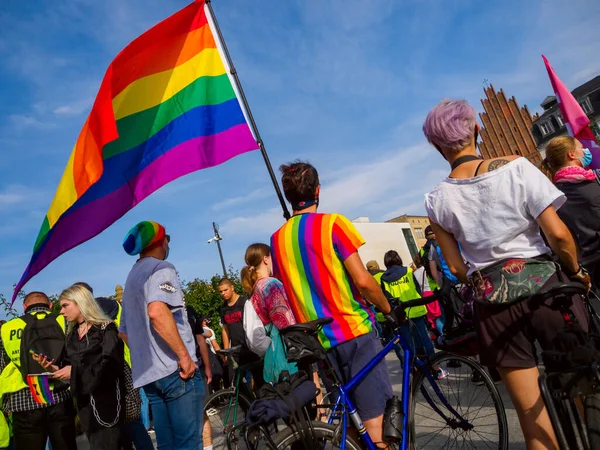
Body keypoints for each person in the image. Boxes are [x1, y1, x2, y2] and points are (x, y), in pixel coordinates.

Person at [422, 99, 591, 450]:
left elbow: (455, 267)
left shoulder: (436, 199)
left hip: (494, 304)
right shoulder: (516, 167)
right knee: (584, 393)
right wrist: (576, 271)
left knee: (532, 418)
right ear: (477, 130)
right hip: (548, 290)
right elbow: (558, 235)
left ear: (437, 147)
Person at [270, 161, 393, 446]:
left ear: (289, 196)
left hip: (318, 342)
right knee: (376, 423)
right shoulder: (333, 224)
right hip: (353, 331)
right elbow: (363, 280)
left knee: (350, 421)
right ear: (317, 190)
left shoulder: (277, 240)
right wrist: (388, 308)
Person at [119, 221, 205, 450]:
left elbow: (124, 332)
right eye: (167, 239)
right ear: (160, 241)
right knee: (189, 443)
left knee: (166, 445)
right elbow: (157, 311)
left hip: (150, 375)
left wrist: (150, 356)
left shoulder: (132, 278)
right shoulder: (161, 268)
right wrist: (184, 357)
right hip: (176, 371)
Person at [36, 285, 125, 449]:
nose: (61, 311)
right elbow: (71, 366)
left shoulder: (106, 329)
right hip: (84, 405)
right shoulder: (72, 335)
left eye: (65, 305)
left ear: (80, 303)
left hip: (107, 402)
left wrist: (75, 371)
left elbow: (111, 367)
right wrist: (54, 370)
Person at [0, 292, 77, 450]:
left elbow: (2, 365)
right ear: (50, 306)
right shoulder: (63, 320)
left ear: (24, 307)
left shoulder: (8, 328)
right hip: (59, 396)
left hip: (23, 400)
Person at [94, 295, 154, 450]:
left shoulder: (114, 321)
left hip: (128, 374)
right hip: (127, 373)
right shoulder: (122, 313)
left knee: (132, 421)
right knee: (130, 422)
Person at [543, 135, 600, 292]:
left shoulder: (551, 196)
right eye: (582, 148)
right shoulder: (589, 185)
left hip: (587, 270)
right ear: (571, 154)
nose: (586, 151)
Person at [380, 251, 447, 379]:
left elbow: (387, 297)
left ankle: (417, 370)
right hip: (416, 309)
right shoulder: (408, 271)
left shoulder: (384, 278)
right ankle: (435, 368)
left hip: (401, 314)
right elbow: (417, 289)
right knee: (424, 339)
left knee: (410, 344)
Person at [240, 243, 298, 382]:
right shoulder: (271, 285)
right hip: (286, 352)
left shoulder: (254, 291)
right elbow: (286, 321)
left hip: (272, 356)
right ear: (266, 259)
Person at [218, 278, 261, 389]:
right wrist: (226, 350)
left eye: (225, 290)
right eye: (220, 291)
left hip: (250, 347)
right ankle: (246, 405)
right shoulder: (223, 308)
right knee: (236, 383)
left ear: (232, 287)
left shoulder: (244, 301)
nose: (223, 293)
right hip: (235, 351)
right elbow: (225, 329)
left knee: (259, 380)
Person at [413, 252, 444, 335]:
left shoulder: (414, 273)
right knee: (439, 315)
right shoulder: (426, 268)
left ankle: (440, 333)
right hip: (431, 292)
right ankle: (444, 333)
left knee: (434, 318)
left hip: (424, 296)